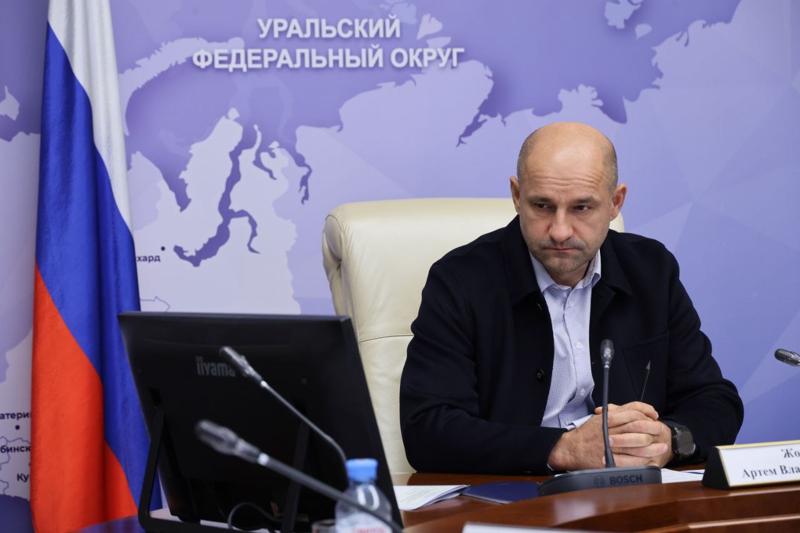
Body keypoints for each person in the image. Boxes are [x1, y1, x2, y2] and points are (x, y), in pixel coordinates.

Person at [399, 122, 743, 474]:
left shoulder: (651, 270)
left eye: (581, 208)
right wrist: (561, 449)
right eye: (542, 205)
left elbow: (715, 401)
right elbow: (427, 429)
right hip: (518, 494)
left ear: (615, 202)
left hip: (632, 493)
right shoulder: (460, 280)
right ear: (516, 195)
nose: (560, 231)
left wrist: (669, 439)